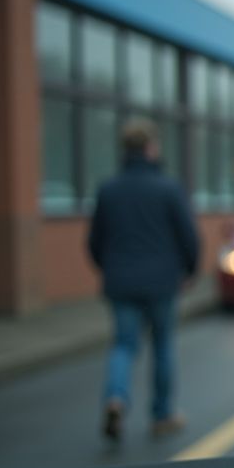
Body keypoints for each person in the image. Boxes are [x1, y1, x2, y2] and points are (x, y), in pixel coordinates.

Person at [87, 119, 199, 442]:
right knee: (162, 345)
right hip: (162, 282)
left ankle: (116, 398)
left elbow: (95, 241)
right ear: (151, 148)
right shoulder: (168, 188)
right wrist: (189, 271)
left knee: (123, 344)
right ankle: (162, 414)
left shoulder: (108, 189)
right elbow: (188, 237)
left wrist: (107, 268)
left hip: (120, 282)